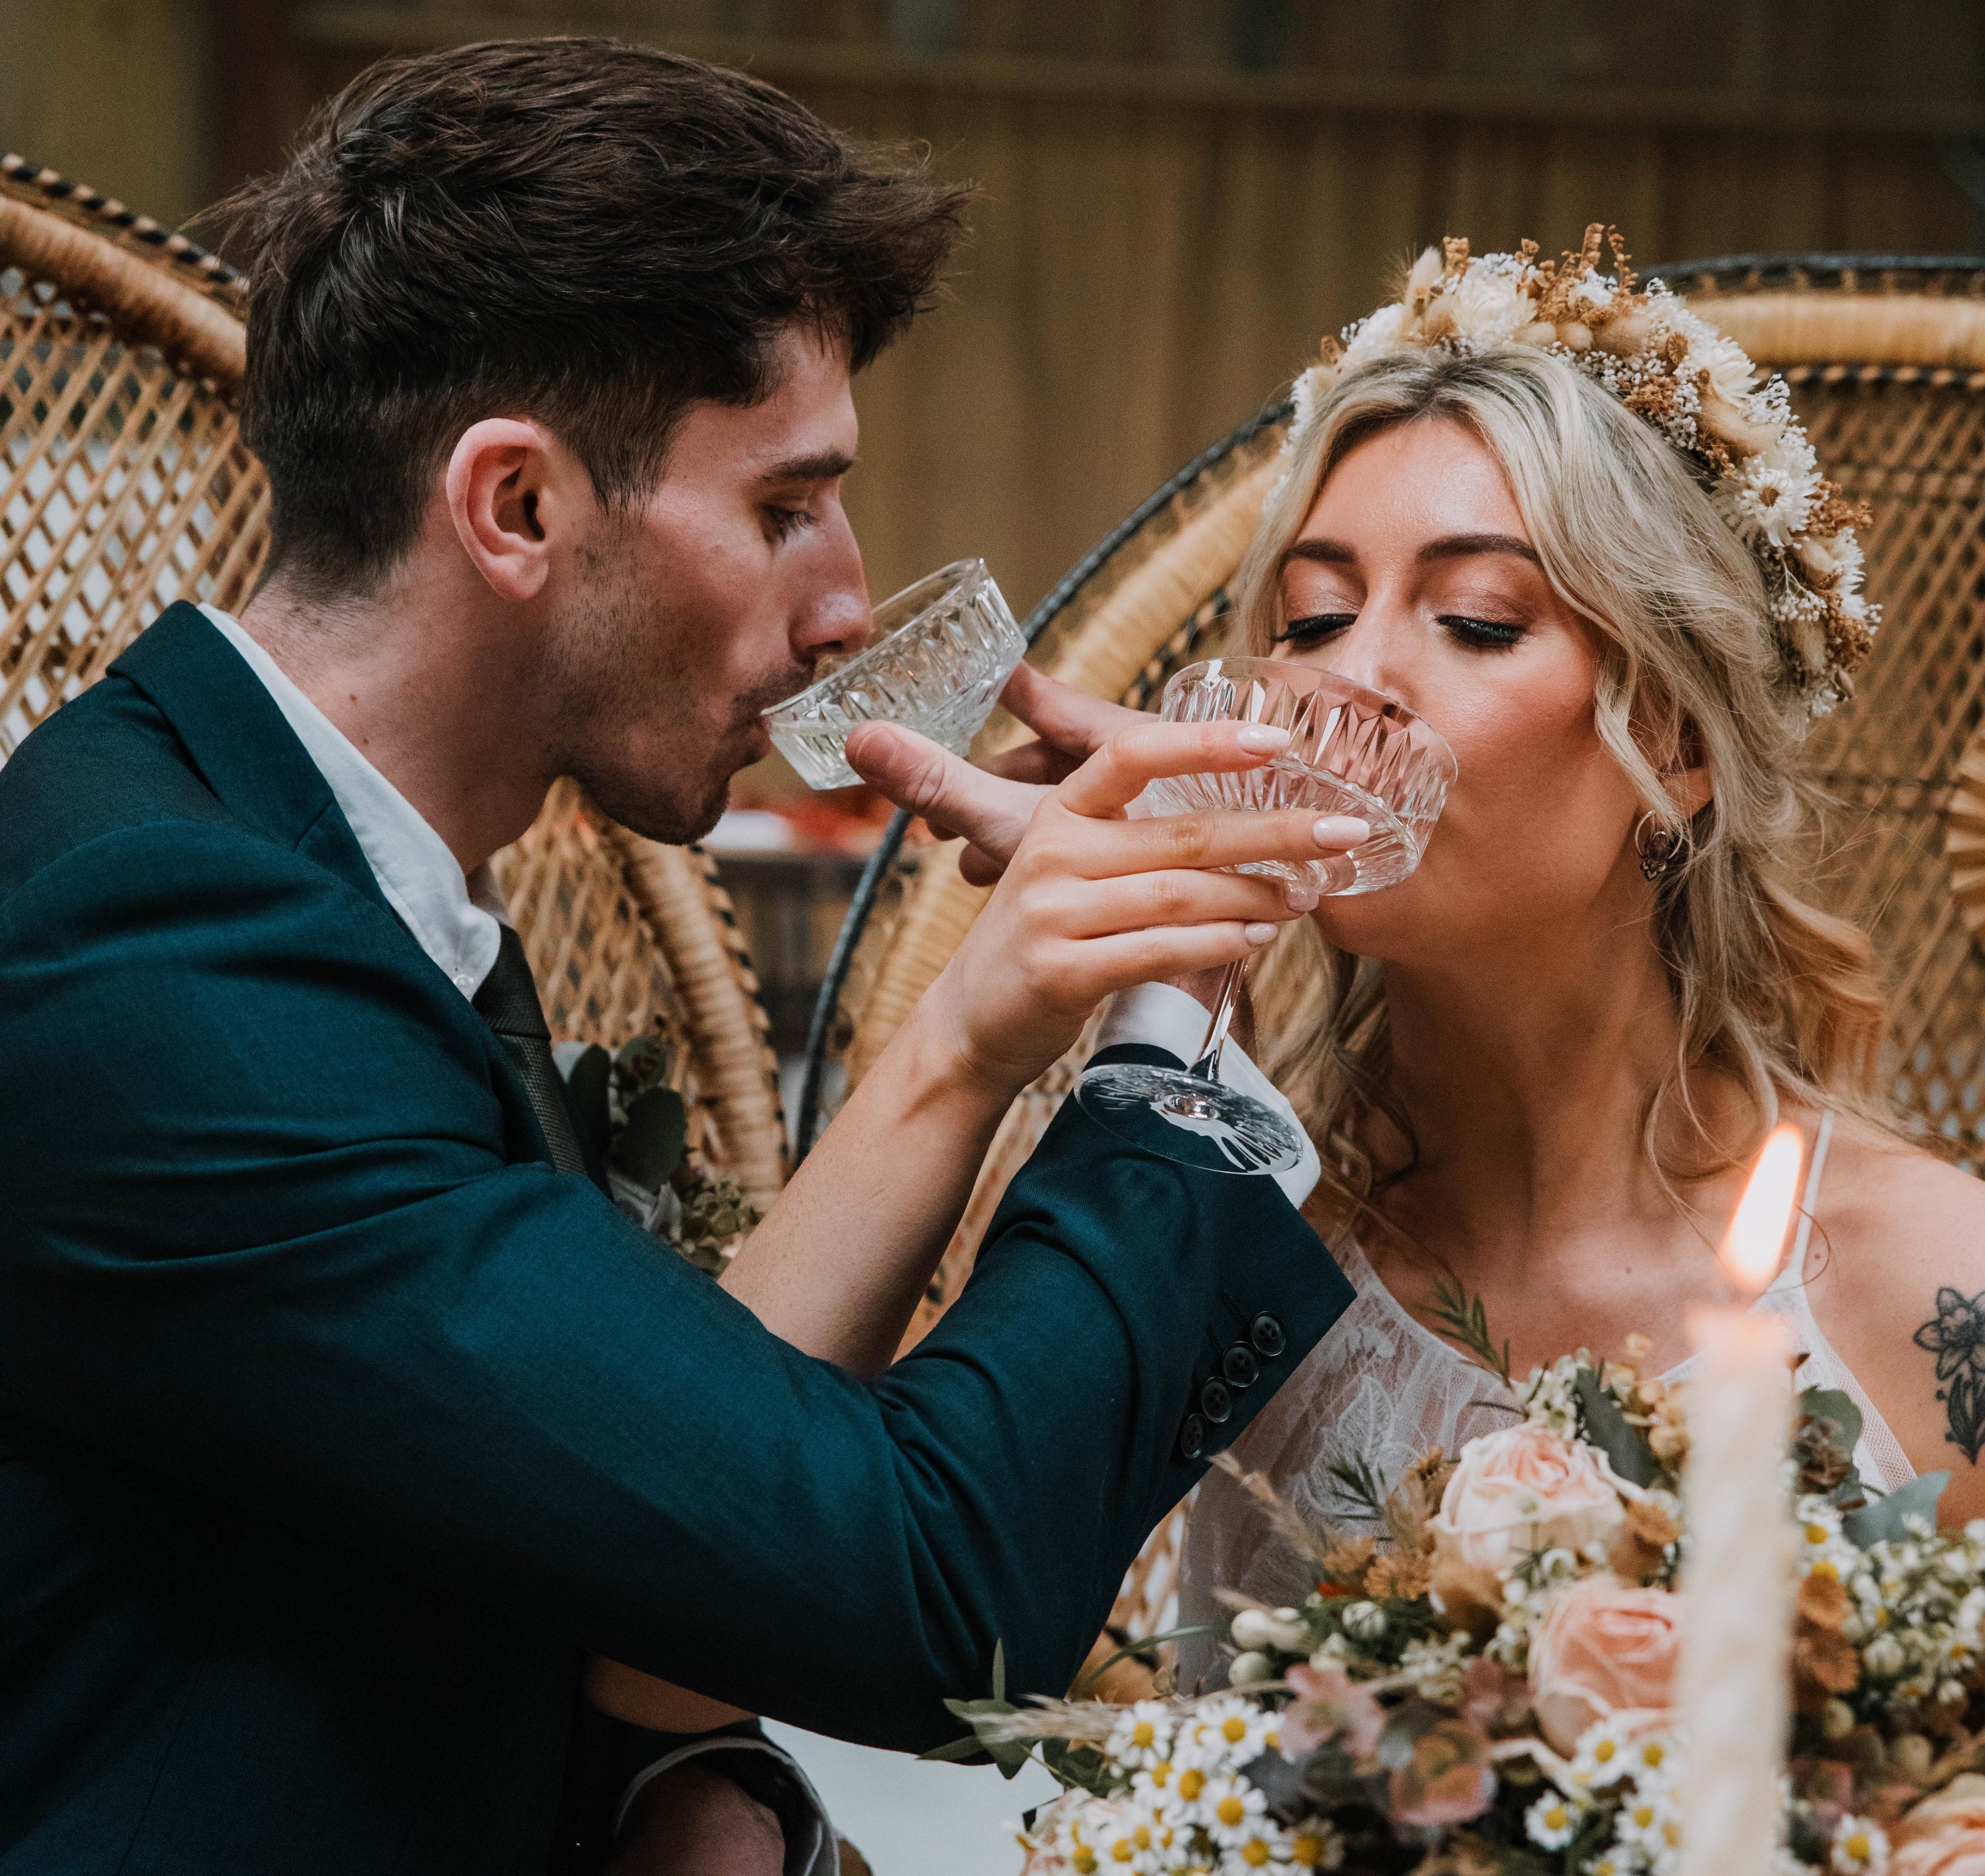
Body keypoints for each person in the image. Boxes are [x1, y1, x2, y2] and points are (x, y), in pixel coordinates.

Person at [0, 40, 1370, 1875]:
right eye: (783, 507)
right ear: (517, 509)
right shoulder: (160, 960)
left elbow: (519, 1543)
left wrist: (670, 1794)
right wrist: (1151, 1031)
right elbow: (917, 1585)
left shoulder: (306, 874)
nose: (839, 604)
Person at [1152, 232, 1985, 1671]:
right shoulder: (1226, 1265)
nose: (1351, 681)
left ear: (1670, 740)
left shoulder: (1927, 1285)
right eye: (1314, 616)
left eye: (1475, 620)